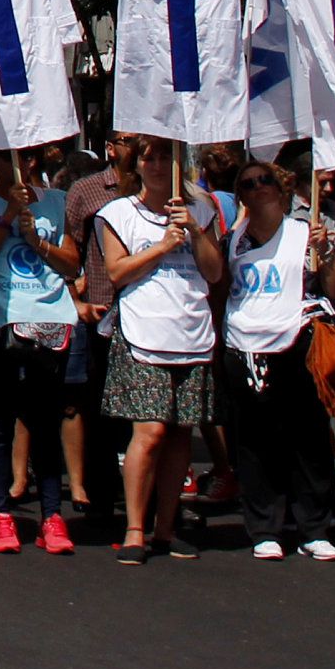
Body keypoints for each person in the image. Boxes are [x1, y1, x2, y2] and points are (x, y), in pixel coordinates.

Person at [95, 140, 225, 563]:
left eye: (164, 156)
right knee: (148, 433)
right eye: (147, 157)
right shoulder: (117, 213)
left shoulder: (201, 212)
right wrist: (162, 247)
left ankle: (166, 529)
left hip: (191, 332)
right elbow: (117, 272)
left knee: (179, 435)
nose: (155, 165)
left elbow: (214, 271)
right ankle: (135, 528)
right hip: (143, 331)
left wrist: (191, 230)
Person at [219, 157, 335, 560]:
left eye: (264, 180)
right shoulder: (234, 241)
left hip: (297, 342)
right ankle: (264, 528)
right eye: (248, 184)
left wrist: (329, 255)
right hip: (246, 345)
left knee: (307, 437)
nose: (258, 188)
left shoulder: (306, 234)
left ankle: (313, 527)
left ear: (282, 187)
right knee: (255, 442)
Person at [0, 143, 77, 555]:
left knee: (44, 422)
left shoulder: (58, 203)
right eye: (7, 156)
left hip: (46, 322)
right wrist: (8, 216)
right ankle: (1, 514)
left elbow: (71, 264)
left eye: (25, 157)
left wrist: (38, 241)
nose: (19, 165)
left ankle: (51, 515)